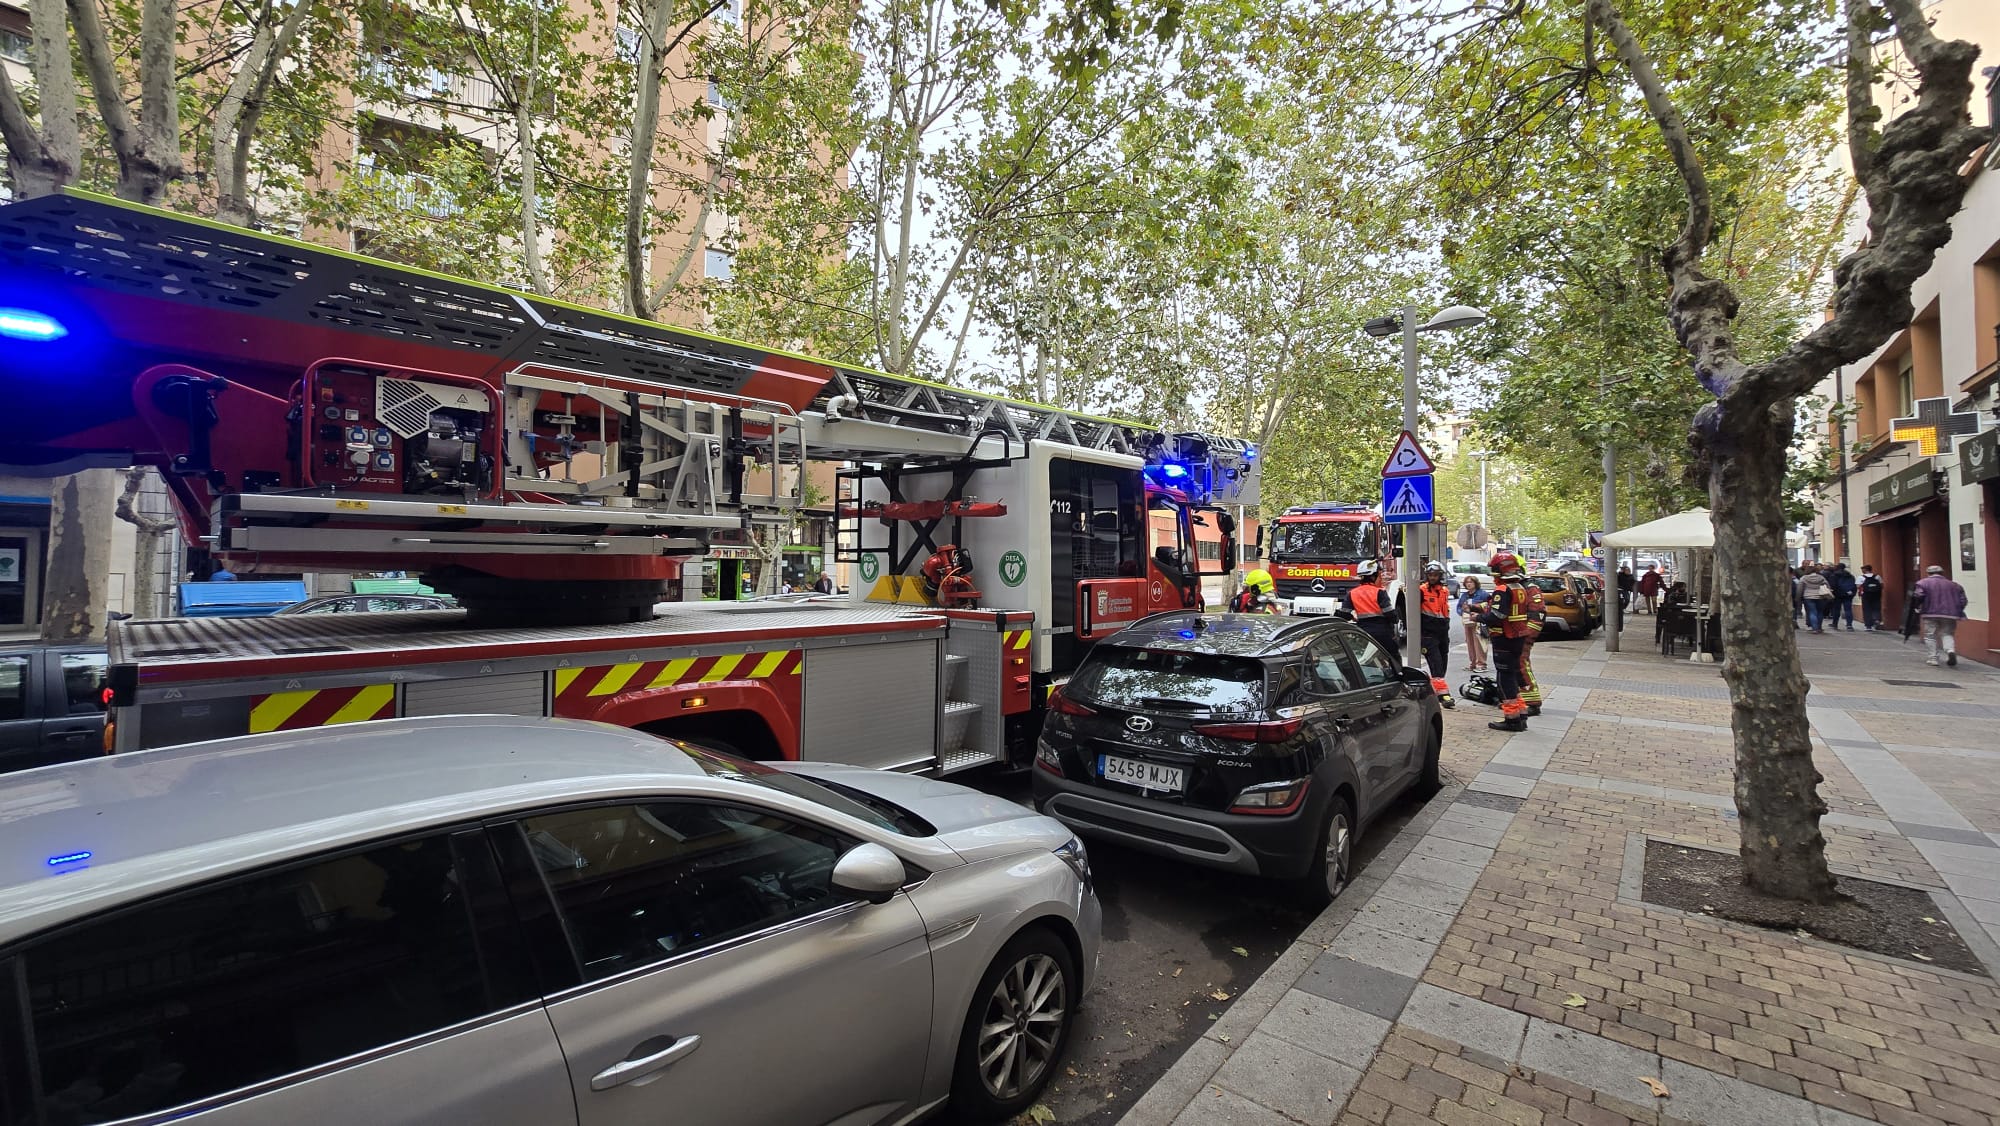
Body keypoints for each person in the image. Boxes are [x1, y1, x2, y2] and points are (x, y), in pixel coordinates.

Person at [1478, 552, 1544, 731]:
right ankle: (1521, 712)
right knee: (1514, 674)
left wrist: (1479, 617)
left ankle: (1513, 718)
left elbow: (1498, 614)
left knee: (1506, 678)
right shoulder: (1519, 587)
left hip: (1505, 639)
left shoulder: (1504, 589)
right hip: (1517, 637)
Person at [1345, 561, 1401, 664]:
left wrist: (1353, 618)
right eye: (1379, 575)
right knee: (1394, 659)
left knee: (1365, 662)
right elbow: (1390, 614)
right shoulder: (1380, 592)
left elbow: (1342, 614)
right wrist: (1396, 619)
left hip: (1363, 633)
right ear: (1373, 577)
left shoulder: (1352, 593)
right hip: (1383, 633)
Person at [1914, 564, 1968, 667]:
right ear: (1942, 573)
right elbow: (1963, 600)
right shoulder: (1955, 585)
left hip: (1930, 612)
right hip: (1950, 614)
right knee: (1947, 633)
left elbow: (1919, 595)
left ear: (1928, 573)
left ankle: (1933, 658)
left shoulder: (1922, 583)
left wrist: (1918, 607)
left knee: (1930, 635)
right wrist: (1958, 609)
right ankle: (1950, 650)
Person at [1418, 562, 1453, 680]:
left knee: (1443, 667)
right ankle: (1441, 694)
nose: (1432, 577)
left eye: (1435, 575)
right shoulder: (1422, 590)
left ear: (1440, 576)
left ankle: (1437, 690)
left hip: (1442, 633)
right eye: (1430, 575)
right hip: (1428, 634)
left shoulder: (1444, 591)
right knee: (1436, 667)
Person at [1457, 576, 1490, 673]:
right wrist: (1462, 613)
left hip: (1478, 622)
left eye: (1471, 582)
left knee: (1479, 643)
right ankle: (1473, 663)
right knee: (1470, 643)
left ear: (1475, 583)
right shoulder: (1464, 595)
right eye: (1467, 582)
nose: (1468, 584)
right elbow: (1459, 607)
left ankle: (1481, 664)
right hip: (1467, 622)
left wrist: (1481, 615)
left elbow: (1489, 606)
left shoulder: (1483, 594)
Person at [1798, 564, 1833, 633]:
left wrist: (1798, 597)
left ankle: (1814, 628)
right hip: (1820, 596)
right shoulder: (1821, 577)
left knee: (1812, 612)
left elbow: (1800, 588)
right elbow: (1828, 586)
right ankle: (1819, 627)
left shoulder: (1804, 578)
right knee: (1820, 612)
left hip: (1808, 596)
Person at [1828, 562, 1857, 631]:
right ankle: (1849, 625)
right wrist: (1852, 593)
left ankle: (1835, 624)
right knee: (1848, 610)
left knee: (1836, 609)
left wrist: (1833, 593)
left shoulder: (1834, 575)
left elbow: (1832, 585)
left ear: (1837, 567)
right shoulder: (1850, 575)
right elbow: (1854, 585)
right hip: (1848, 595)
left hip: (1838, 595)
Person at [1858, 564, 1883, 631]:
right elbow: (1881, 585)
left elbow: (1858, 586)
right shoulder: (1877, 576)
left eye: (1862, 570)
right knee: (1876, 608)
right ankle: (1877, 619)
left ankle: (1868, 626)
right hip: (1876, 594)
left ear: (1865, 570)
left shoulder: (1861, 577)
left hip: (1866, 595)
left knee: (1867, 609)